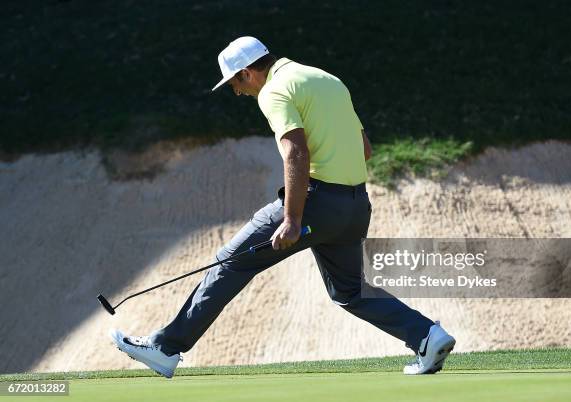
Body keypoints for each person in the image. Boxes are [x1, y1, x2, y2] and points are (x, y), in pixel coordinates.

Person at [110, 36, 455, 378]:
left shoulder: (275, 90)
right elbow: (364, 149)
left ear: (247, 72)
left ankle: (166, 348)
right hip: (356, 205)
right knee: (349, 291)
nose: (236, 91)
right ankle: (426, 335)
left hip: (315, 203)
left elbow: (295, 153)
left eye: (233, 82)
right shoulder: (327, 79)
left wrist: (292, 218)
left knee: (230, 261)